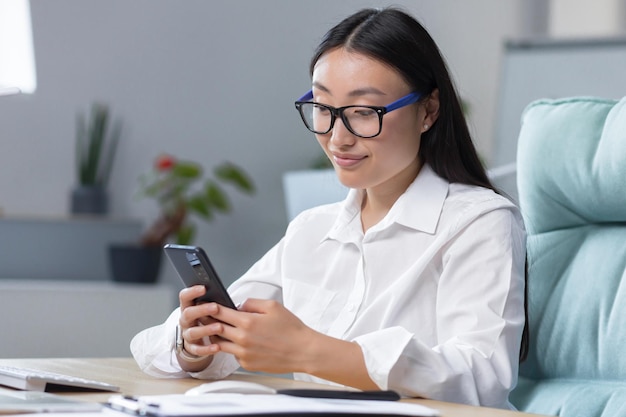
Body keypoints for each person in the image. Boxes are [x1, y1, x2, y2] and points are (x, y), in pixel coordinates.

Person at [131, 7, 527, 409]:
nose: (338, 139)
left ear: (428, 110)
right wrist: (195, 343)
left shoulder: (478, 222)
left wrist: (309, 352)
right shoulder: (312, 231)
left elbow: (481, 378)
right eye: (323, 108)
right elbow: (159, 348)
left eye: (363, 112)